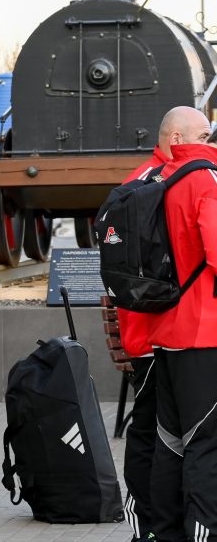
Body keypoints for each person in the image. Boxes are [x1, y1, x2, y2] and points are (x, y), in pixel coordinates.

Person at [149, 106, 217, 542]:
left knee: (171, 444)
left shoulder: (157, 180)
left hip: (166, 331)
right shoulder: (205, 179)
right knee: (206, 443)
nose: (212, 141)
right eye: (206, 135)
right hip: (204, 333)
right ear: (180, 137)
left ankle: (164, 533)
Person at [115, 113, 179, 541]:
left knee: (160, 431)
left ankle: (158, 524)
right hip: (157, 335)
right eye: (203, 136)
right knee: (152, 431)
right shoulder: (156, 184)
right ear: (176, 138)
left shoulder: (144, 179)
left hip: (156, 334)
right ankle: (149, 524)